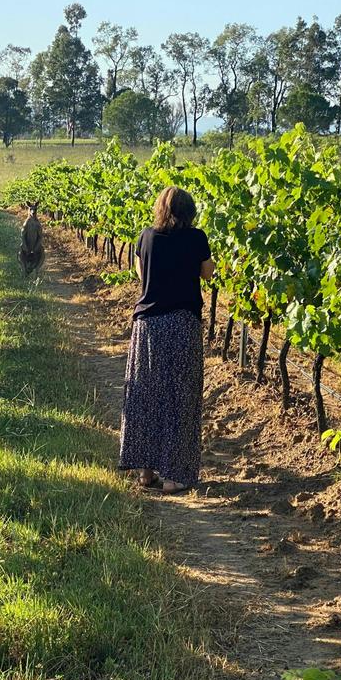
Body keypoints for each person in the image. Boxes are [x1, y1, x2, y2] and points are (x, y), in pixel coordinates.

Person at [118, 186, 215, 494]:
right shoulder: (197, 238)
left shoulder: (145, 237)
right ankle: (173, 477)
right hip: (182, 325)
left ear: (160, 209)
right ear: (190, 212)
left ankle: (146, 474)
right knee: (179, 397)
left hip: (146, 326)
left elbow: (140, 273)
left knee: (146, 395)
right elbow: (208, 275)